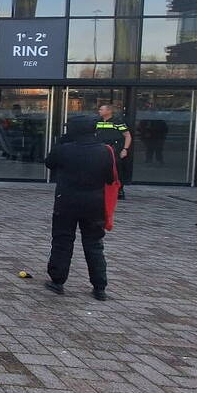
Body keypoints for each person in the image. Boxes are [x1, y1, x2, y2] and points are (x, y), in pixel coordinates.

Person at [44, 115, 116, 301]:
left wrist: (62, 142)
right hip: (94, 202)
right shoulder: (105, 151)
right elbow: (110, 178)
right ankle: (99, 286)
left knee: (62, 240)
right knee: (94, 244)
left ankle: (58, 281)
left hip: (66, 201)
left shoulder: (65, 150)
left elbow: (49, 162)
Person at [96, 105, 131, 199]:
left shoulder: (117, 122)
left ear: (109, 111)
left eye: (101, 109)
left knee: (117, 170)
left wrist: (125, 149)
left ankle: (119, 190)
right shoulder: (97, 121)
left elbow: (127, 136)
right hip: (100, 149)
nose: (99, 111)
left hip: (114, 149)